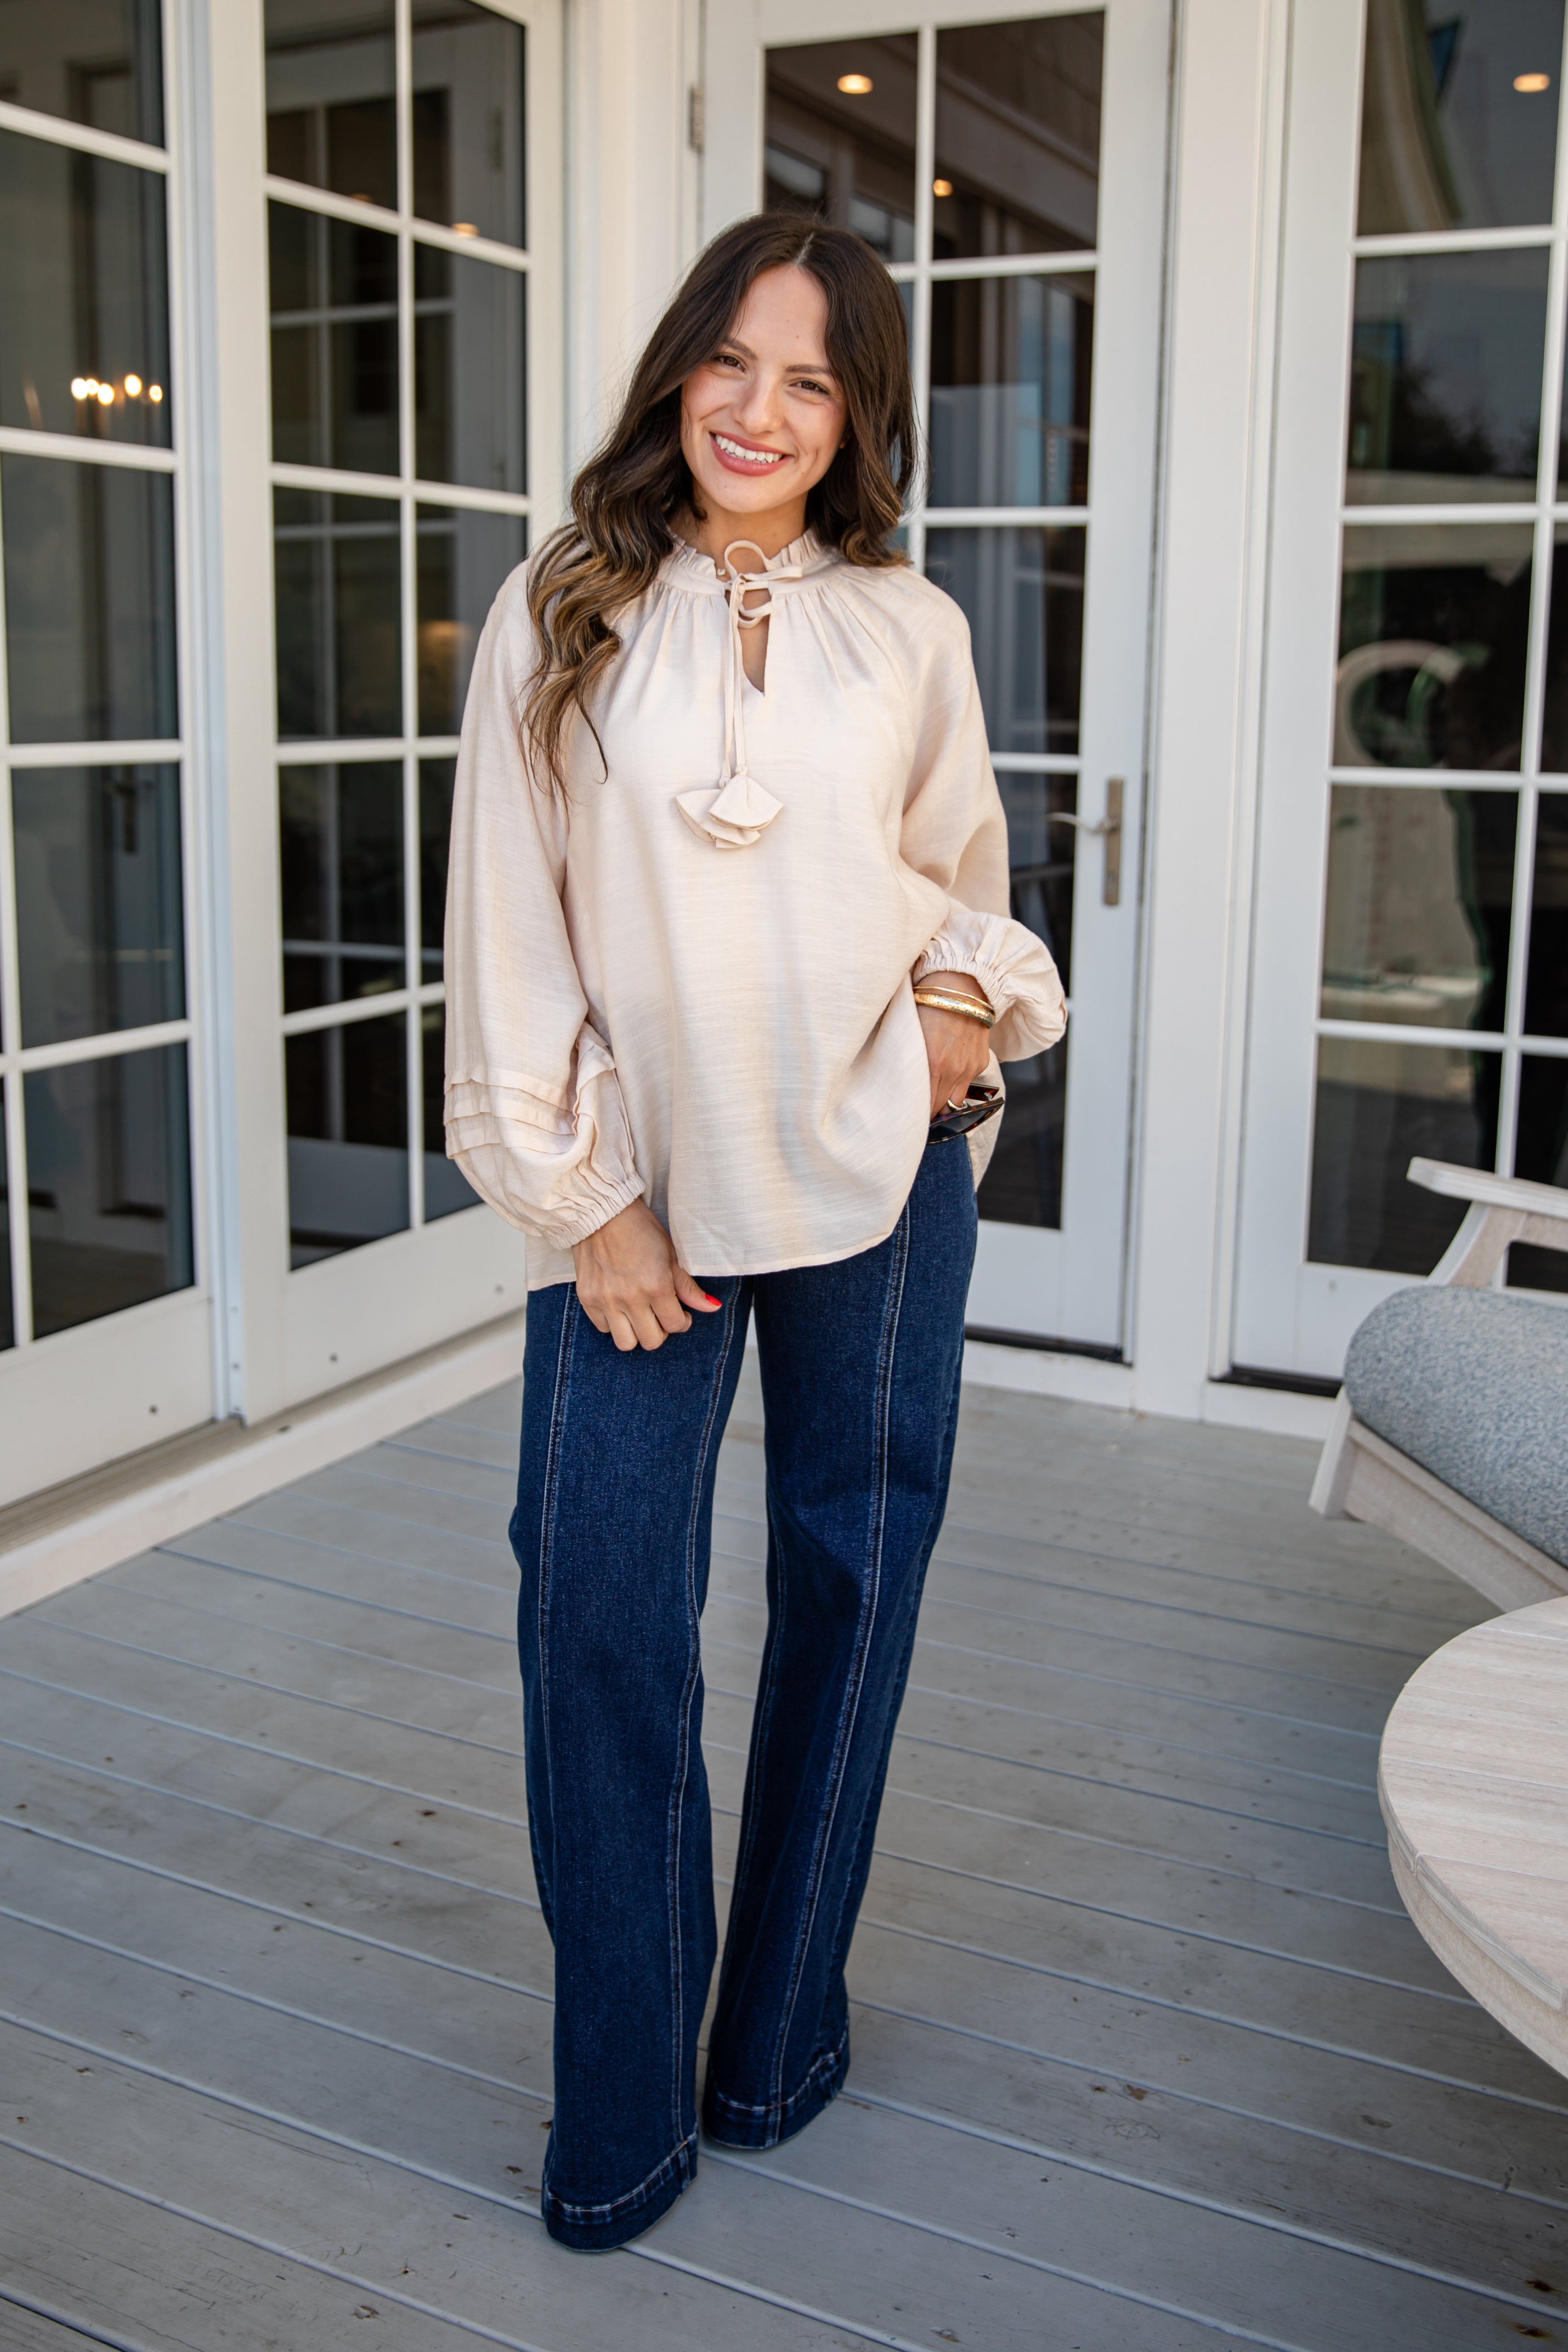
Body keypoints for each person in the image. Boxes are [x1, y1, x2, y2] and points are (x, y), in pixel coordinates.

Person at [444, 211, 1066, 2253]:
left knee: (846, 1596)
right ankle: (623, 2113)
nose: (759, 407)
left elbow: (955, 881)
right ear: (673, 369)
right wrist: (580, 1202)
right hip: (637, 1202)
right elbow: (509, 938)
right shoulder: (559, 613)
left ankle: (777, 2037)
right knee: (600, 1619)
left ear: (856, 412)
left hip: (884, 1184)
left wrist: (968, 1012)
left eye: (811, 377)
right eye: (730, 357)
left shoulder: (908, 625)